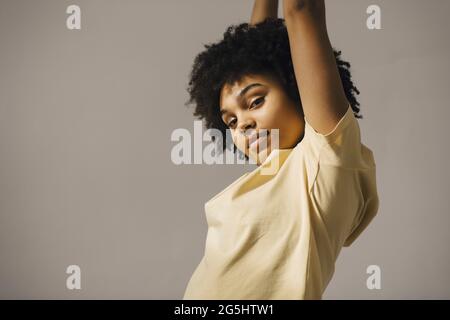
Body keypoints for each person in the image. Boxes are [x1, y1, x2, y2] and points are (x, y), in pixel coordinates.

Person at [183, 0, 379, 299]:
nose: (243, 125)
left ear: (299, 88)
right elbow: (254, 48)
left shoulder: (324, 162)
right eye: (231, 121)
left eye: (256, 101)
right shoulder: (278, 171)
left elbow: (301, 9)